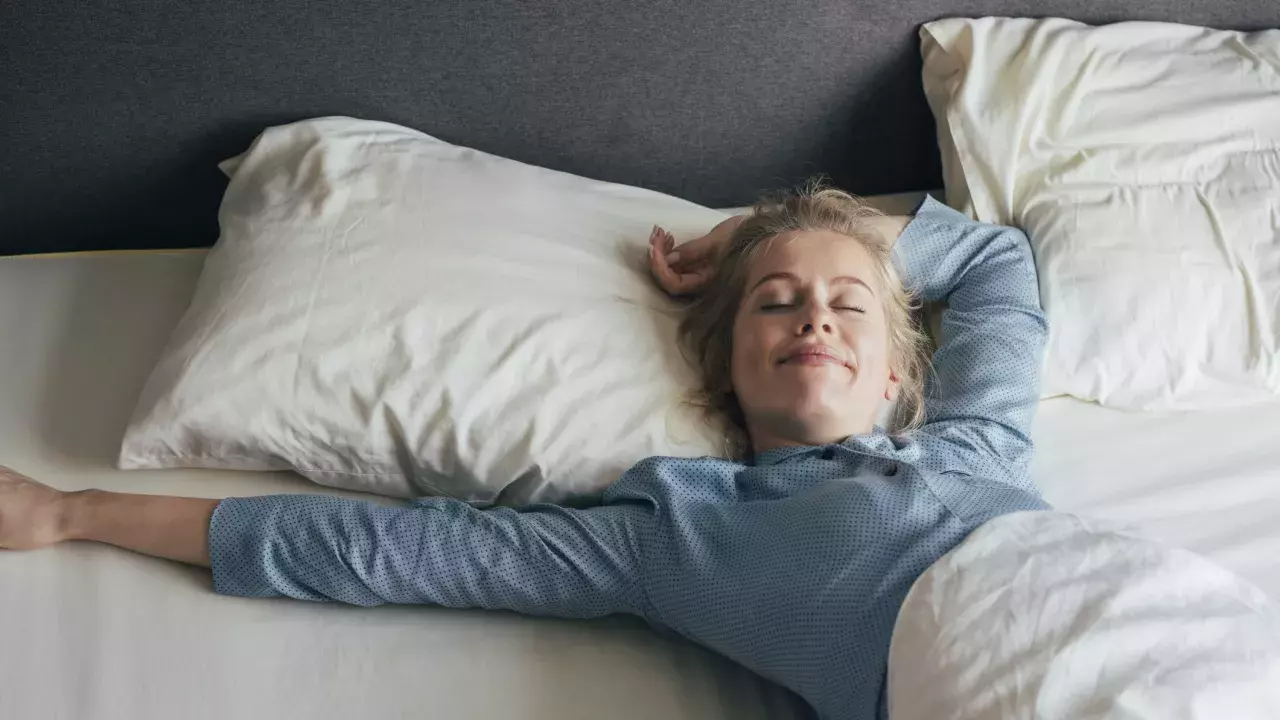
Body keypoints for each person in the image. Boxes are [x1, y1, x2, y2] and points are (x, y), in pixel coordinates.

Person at [0, 183, 1049, 720]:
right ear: (726, 369)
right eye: (773, 306)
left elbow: (996, 261)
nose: (812, 318)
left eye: (845, 304)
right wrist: (72, 513)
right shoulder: (679, 532)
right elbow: (400, 551)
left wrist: (751, 232)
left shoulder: (980, 443)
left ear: (897, 375)